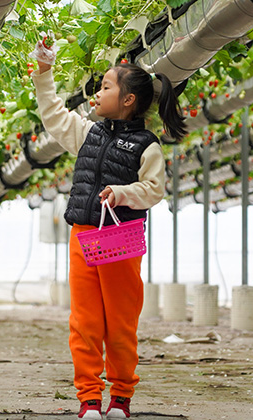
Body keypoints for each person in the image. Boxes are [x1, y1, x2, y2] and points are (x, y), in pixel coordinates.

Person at [31, 39, 186, 420]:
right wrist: (44, 72)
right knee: (83, 322)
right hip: (82, 235)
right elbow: (53, 116)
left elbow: (153, 191)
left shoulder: (147, 146)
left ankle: (120, 398)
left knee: (119, 323)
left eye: (105, 87)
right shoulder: (89, 133)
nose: (97, 94)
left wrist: (122, 192)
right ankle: (88, 400)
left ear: (128, 99)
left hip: (119, 239)